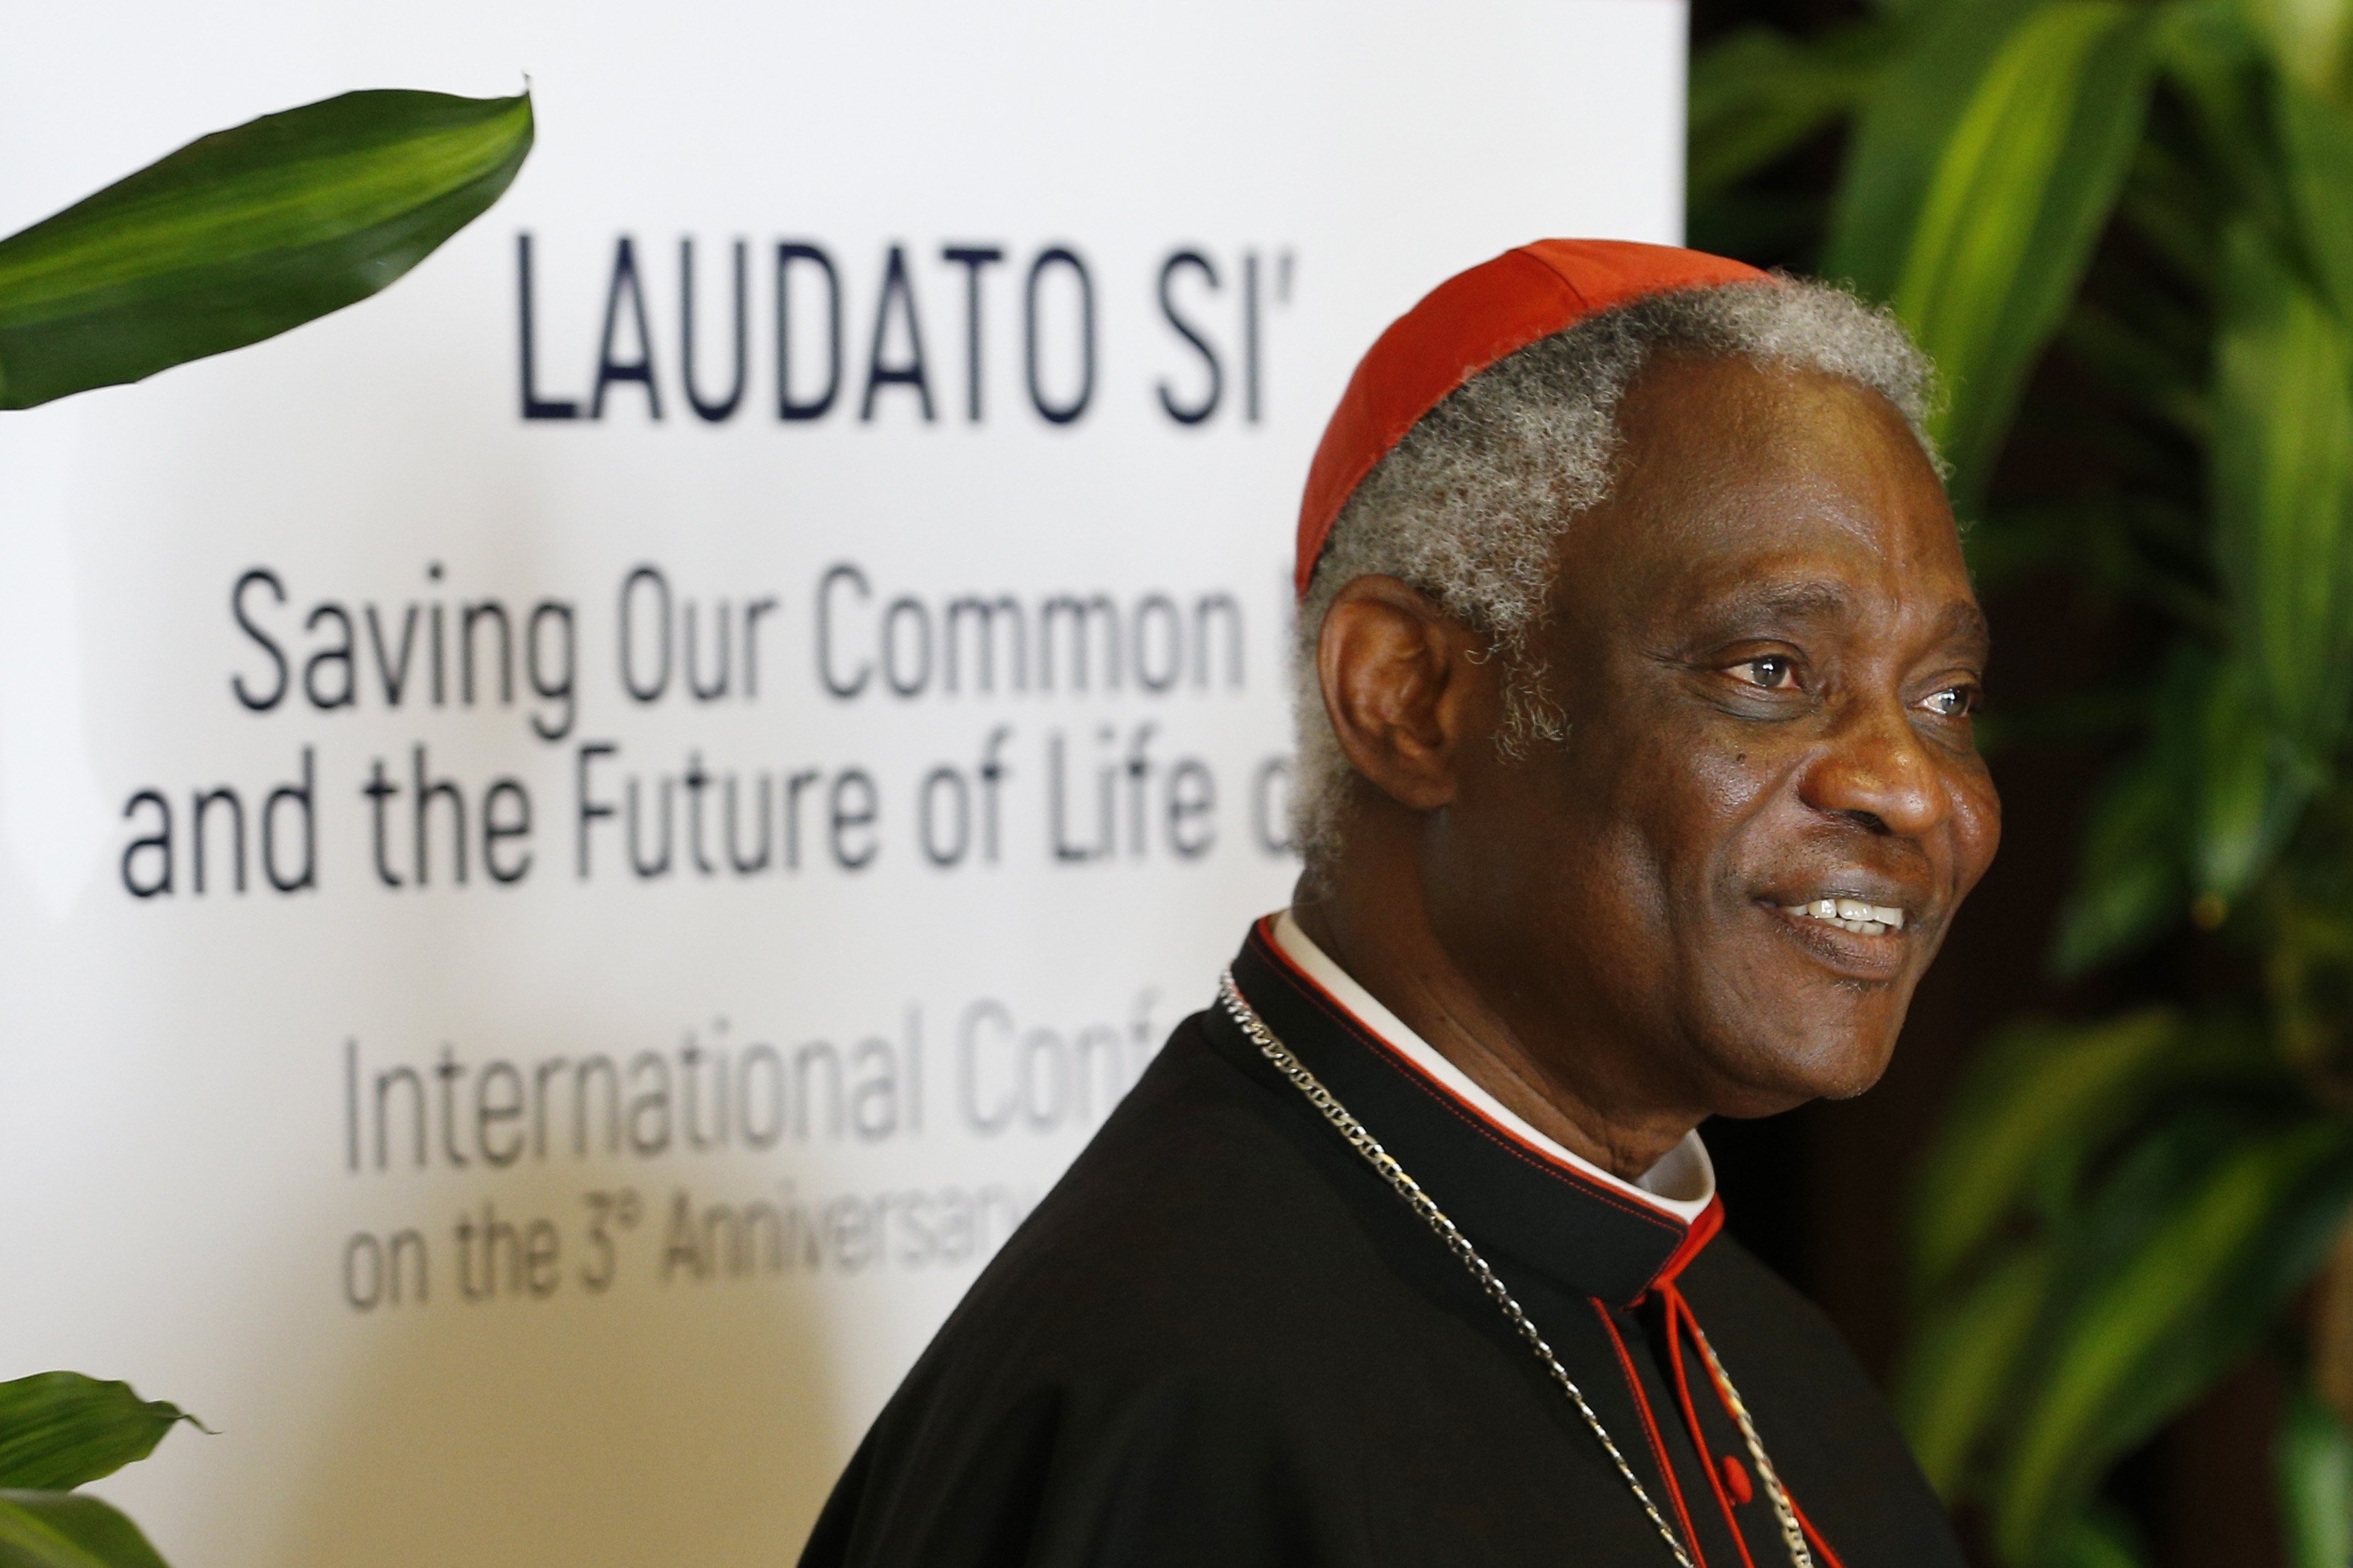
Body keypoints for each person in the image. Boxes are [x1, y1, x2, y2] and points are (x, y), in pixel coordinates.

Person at [798, 240, 1999, 1568]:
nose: (1914, 788)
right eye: (1769, 668)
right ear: (1407, 696)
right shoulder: (1174, 1410)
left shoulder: (1761, 1355)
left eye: (1943, 697)